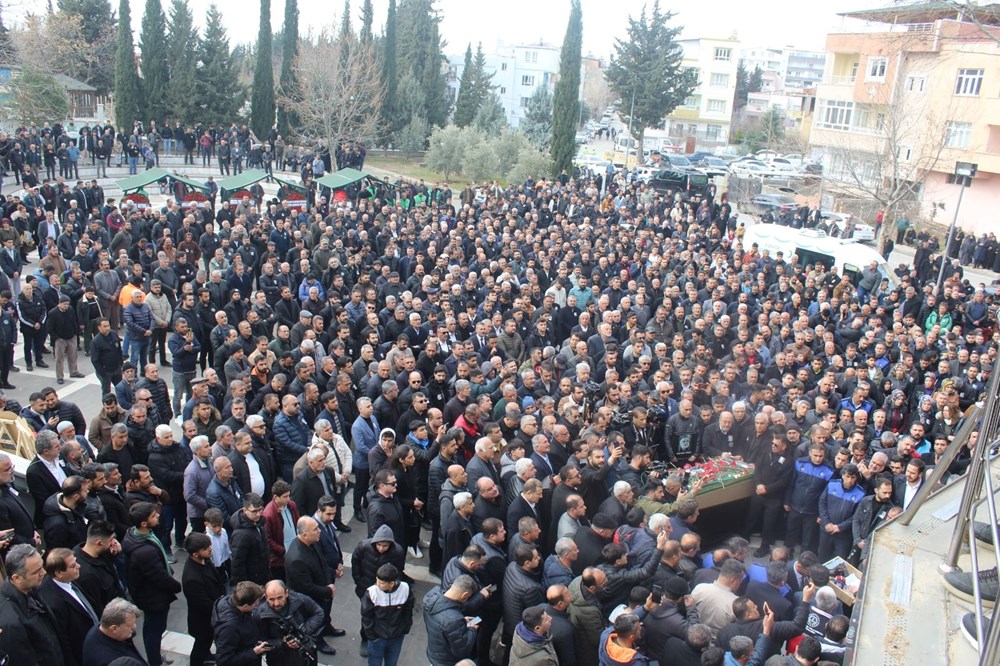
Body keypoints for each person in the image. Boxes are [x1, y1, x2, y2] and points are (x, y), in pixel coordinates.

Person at [122, 502, 180, 666]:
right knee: (154, 630)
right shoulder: (144, 552)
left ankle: (156, 655)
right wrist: (176, 586)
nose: (158, 516)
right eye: (153, 516)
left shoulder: (138, 535)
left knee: (154, 628)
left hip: (149, 593)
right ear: (143, 523)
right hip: (153, 597)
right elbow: (159, 576)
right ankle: (154, 660)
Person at [0, 544, 64, 665]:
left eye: (42, 567)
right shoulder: (10, 624)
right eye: (37, 571)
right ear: (17, 578)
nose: (44, 572)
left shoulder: (32, 590)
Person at [284, 516, 337, 656]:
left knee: (325, 615)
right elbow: (307, 589)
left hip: (323, 588)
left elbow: (321, 562)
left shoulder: (313, 543)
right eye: (315, 529)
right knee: (316, 620)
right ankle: (318, 640)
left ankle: (327, 627)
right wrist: (328, 590)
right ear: (305, 534)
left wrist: (331, 574)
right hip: (311, 600)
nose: (319, 531)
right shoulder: (297, 559)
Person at [37, 547, 99, 666]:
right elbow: (64, 641)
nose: (79, 566)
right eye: (73, 565)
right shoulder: (54, 602)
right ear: (59, 573)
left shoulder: (69, 579)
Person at [255, 579, 325, 666]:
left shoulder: (300, 600)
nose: (276, 603)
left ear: (286, 593)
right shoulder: (259, 614)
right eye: (271, 599)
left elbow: (318, 612)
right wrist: (282, 642)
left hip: (305, 652)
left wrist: (304, 631)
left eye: (280, 598)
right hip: (279, 659)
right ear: (266, 597)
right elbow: (260, 641)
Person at [181, 532, 227, 666]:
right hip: (203, 621)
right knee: (201, 645)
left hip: (213, 609)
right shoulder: (192, 578)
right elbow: (203, 604)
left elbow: (218, 581)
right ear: (195, 554)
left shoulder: (205, 560)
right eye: (206, 548)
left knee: (205, 643)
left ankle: (207, 656)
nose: (210, 549)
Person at [360, 563, 415, 666]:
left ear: (392, 583)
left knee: (392, 663)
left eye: (381, 582)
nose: (377, 584)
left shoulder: (405, 589)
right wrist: (372, 637)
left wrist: (404, 629)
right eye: (377, 580)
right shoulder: (372, 592)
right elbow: (366, 616)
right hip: (377, 638)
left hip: (397, 637)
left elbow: (408, 611)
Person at [423, 574, 479, 666]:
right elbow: (462, 650)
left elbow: (440, 623)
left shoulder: (431, 597)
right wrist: (472, 629)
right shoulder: (453, 620)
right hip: (446, 661)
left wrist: (461, 622)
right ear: (465, 595)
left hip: (434, 653)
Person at [211, 581, 272, 666]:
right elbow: (224, 661)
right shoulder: (229, 628)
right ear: (246, 606)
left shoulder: (227, 600)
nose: (258, 604)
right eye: (256, 603)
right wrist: (253, 652)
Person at [82, 598, 148, 666]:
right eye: (130, 626)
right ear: (114, 629)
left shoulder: (102, 627)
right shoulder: (106, 661)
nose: (134, 626)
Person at [230, 493, 270, 585]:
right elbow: (237, 564)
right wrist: (247, 586)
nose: (259, 514)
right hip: (252, 581)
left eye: (261, 510)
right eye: (254, 511)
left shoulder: (258, 522)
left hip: (263, 573)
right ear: (245, 510)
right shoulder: (241, 534)